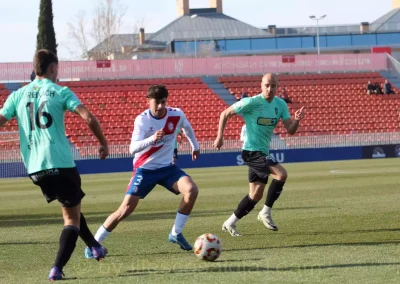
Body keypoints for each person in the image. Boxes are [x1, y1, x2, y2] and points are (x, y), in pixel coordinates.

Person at [0, 49, 109, 281]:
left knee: (71, 206)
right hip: (59, 161)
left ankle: (94, 246)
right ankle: (56, 268)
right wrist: (103, 142)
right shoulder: (60, 91)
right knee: (71, 218)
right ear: (52, 68)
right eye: (57, 69)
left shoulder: (17, 95)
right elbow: (88, 117)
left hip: (35, 168)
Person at [88, 84, 200, 253]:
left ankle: (176, 233)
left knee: (191, 190)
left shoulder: (176, 114)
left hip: (167, 169)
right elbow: (132, 149)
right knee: (124, 210)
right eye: (157, 102)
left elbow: (187, 127)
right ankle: (94, 244)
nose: (161, 106)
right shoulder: (142, 120)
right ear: (148, 101)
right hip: (145, 170)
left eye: (163, 102)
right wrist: (152, 139)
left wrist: (195, 146)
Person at [213, 73, 305, 237]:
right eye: (267, 85)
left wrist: (297, 120)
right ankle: (265, 212)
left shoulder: (280, 104)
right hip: (250, 152)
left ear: (277, 87)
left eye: (273, 86)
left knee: (255, 194)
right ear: (261, 86)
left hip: (263, 152)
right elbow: (224, 113)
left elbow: (290, 130)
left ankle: (229, 223)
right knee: (281, 174)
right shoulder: (252, 102)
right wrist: (220, 136)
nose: (270, 89)